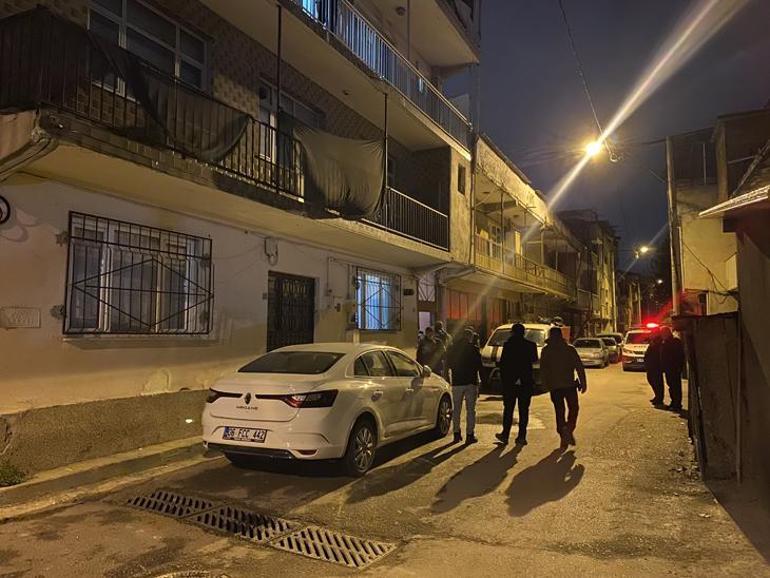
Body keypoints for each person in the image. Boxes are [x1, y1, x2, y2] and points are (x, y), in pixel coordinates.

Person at [540, 327, 587, 450]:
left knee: (559, 411)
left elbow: (543, 370)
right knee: (574, 409)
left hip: (554, 387)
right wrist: (583, 382)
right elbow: (579, 367)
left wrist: (545, 384)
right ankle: (568, 429)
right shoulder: (569, 349)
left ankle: (563, 434)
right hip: (569, 385)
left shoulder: (546, 350)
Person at [496, 323, 538, 446]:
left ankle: (505, 435)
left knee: (508, 409)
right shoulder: (531, 345)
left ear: (513, 332)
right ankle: (522, 436)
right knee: (524, 410)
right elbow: (534, 359)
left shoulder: (508, 345)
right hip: (525, 381)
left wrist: (504, 380)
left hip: (510, 382)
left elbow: (503, 363)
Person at [447, 327, 482, 444]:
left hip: (457, 382)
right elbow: (479, 366)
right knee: (470, 410)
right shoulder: (474, 349)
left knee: (456, 409)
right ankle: (470, 435)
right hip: (470, 382)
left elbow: (448, 364)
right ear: (470, 337)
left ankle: (456, 434)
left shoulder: (453, 349)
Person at [659, 327, 685, 411]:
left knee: (675, 386)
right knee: (671, 385)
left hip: (673, 368)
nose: (662, 335)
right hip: (669, 368)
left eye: (663, 333)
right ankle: (674, 402)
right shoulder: (666, 342)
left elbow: (679, 355)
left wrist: (678, 367)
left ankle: (676, 404)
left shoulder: (674, 342)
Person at [644, 331, 665, 407]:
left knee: (657, 382)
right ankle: (657, 396)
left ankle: (659, 398)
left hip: (655, 366)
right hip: (651, 366)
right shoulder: (653, 341)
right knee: (651, 380)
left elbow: (656, 354)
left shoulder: (658, 342)